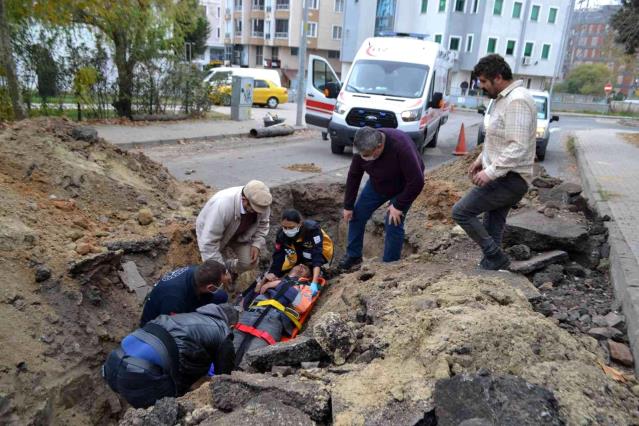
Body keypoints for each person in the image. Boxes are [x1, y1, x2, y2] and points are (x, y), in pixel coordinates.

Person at [451, 54, 536, 270]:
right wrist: (482, 159)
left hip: (509, 178)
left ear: (498, 78)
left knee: (461, 211)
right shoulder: (503, 99)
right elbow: (500, 138)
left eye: (483, 82)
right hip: (504, 175)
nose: (481, 87)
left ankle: (495, 257)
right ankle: (492, 270)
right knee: (492, 228)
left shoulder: (517, 101)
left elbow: (518, 146)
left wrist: (490, 172)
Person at [103, 303, 238, 408]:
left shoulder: (188, 316)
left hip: (114, 361)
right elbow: (223, 378)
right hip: (139, 371)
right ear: (231, 325)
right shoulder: (223, 331)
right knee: (166, 410)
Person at [339, 126, 425, 269]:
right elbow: (354, 175)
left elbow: (417, 181)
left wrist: (399, 205)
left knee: (393, 221)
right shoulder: (362, 146)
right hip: (377, 184)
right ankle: (353, 256)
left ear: (379, 147)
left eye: (367, 155)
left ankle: (389, 266)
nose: (363, 158)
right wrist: (348, 205)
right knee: (357, 214)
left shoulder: (401, 146)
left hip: (403, 187)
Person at [233, 264, 315, 363]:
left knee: (251, 360)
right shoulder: (273, 279)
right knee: (229, 352)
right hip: (250, 315)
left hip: (273, 320)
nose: (301, 266)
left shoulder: (305, 287)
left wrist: (278, 284)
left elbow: (302, 306)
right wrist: (263, 282)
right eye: (300, 264)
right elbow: (247, 303)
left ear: (307, 277)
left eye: (305, 268)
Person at [196, 180, 272, 275]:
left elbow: (263, 224)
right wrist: (222, 273)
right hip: (215, 234)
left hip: (240, 234)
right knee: (214, 274)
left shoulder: (261, 203)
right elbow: (208, 243)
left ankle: (230, 269)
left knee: (250, 263)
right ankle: (223, 273)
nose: (258, 212)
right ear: (244, 200)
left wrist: (256, 243)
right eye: (254, 209)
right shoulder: (222, 206)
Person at [140, 259, 231, 327]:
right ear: (210, 287)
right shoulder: (174, 299)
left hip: (186, 297)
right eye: (220, 284)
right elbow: (170, 328)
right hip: (156, 324)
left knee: (221, 297)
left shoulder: (198, 272)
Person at [267, 209, 334, 296]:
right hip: (299, 250)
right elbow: (278, 255)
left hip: (322, 251)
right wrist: (273, 272)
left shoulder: (312, 229)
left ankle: (320, 272)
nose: (287, 230)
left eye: (291, 227)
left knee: (312, 267)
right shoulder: (282, 234)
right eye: (284, 227)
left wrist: (314, 282)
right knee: (283, 268)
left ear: (300, 223)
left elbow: (317, 254)